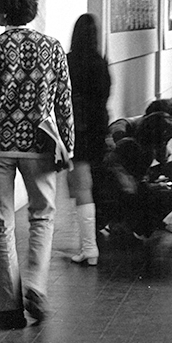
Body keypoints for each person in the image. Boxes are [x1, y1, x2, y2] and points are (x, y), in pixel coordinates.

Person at [0, 0, 74, 329]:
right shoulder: (52, 47)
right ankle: (36, 283)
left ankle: (9, 306)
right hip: (40, 145)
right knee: (43, 215)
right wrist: (68, 146)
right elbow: (63, 101)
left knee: (0, 224)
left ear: (0, 10)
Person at [66, 13, 112, 266]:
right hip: (97, 130)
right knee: (91, 185)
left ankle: (88, 247)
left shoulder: (69, 61)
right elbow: (104, 98)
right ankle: (90, 243)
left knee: (81, 189)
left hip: (76, 132)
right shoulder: (100, 63)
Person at [99, 111, 172, 238]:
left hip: (125, 189)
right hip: (117, 196)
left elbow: (138, 177)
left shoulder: (142, 146)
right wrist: (150, 187)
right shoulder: (133, 147)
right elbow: (126, 185)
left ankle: (134, 222)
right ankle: (130, 224)